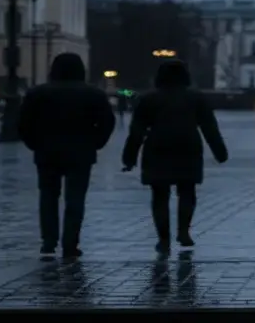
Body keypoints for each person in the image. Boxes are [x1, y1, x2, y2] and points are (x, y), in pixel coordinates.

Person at [122, 60, 229, 255]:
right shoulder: (196, 98)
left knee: (160, 196)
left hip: (157, 147)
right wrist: (220, 152)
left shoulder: (149, 99)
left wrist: (129, 158)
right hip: (188, 145)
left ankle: (163, 239)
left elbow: (136, 131)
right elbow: (209, 127)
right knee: (187, 191)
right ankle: (184, 232)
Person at [19, 52, 117, 258]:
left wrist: (35, 144)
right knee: (75, 198)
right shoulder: (93, 94)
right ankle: (71, 243)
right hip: (81, 152)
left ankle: (48, 241)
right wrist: (95, 143)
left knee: (48, 197)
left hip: (47, 152)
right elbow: (107, 122)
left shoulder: (38, 93)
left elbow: (24, 123)